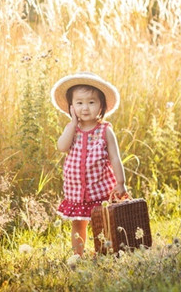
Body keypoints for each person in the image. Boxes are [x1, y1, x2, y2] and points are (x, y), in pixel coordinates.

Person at [50, 71, 127, 256]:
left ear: (101, 106)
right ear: (71, 107)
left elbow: (115, 158)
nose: (85, 108)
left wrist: (121, 183)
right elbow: (61, 147)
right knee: (78, 223)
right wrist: (72, 122)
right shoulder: (72, 129)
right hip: (76, 191)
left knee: (101, 222)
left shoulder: (105, 130)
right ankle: (78, 254)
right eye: (79, 103)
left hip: (100, 189)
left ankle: (105, 251)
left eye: (91, 102)